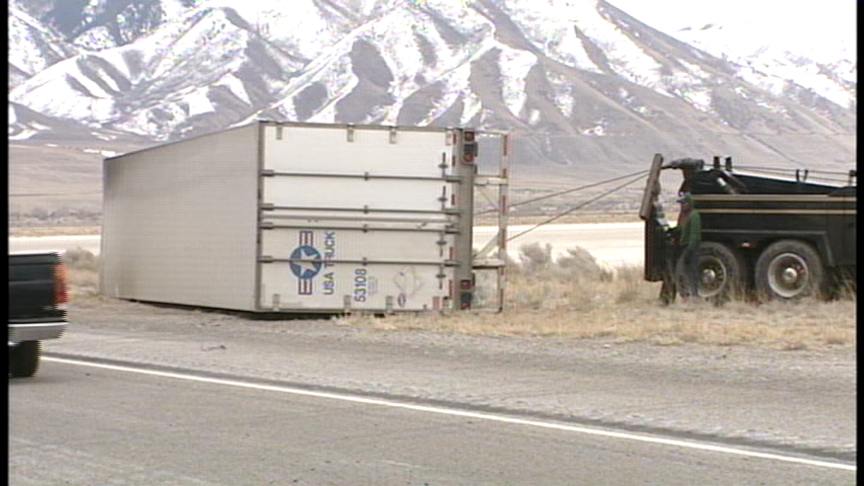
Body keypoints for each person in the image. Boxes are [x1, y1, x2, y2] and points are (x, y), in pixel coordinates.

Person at [677, 193, 702, 299]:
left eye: (684, 203)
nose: (683, 206)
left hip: (691, 249)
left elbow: (695, 235)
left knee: (692, 272)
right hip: (686, 247)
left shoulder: (694, 215)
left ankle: (694, 294)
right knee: (685, 272)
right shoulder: (687, 216)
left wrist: (690, 250)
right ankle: (688, 294)